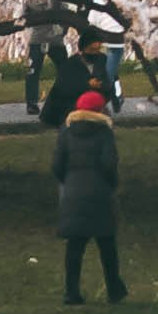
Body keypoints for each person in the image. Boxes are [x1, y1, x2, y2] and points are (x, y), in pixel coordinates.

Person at [53, 87, 125, 303]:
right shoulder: (104, 133)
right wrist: (112, 185)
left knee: (75, 246)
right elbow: (109, 164)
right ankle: (114, 289)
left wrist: (68, 182)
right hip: (100, 192)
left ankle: (71, 292)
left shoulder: (66, 132)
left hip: (73, 191)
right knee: (107, 245)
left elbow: (57, 164)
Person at [20, 0, 63, 115]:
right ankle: (32, 103)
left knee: (64, 69)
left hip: (53, 39)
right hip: (42, 38)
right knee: (33, 71)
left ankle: (63, 99)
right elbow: (25, 18)